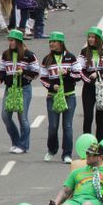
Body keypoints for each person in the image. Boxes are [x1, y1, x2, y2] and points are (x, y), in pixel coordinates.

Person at [0, 29, 38, 154]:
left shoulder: (29, 55)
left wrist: (23, 72)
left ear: (19, 41)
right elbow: (3, 70)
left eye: (12, 40)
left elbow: (35, 73)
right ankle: (15, 141)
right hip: (10, 89)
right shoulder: (6, 54)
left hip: (23, 89)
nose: (10, 43)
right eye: (9, 40)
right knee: (5, 115)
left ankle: (23, 145)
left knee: (22, 117)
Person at [40, 31, 78, 163]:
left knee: (67, 126)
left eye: (54, 42)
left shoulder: (71, 58)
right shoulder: (47, 59)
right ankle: (51, 149)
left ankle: (67, 154)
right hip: (52, 97)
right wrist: (51, 86)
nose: (51, 44)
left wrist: (67, 73)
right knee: (53, 125)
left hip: (69, 96)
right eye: (50, 42)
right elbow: (43, 78)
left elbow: (78, 75)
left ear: (61, 43)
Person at [77, 27, 103, 141]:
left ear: (99, 38)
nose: (90, 39)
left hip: (102, 88)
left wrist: (98, 74)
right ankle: (87, 142)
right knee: (88, 117)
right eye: (89, 37)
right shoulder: (84, 52)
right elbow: (79, 70)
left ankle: (99, 144)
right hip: (88, 88)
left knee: (100, 118)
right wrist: (89, 80)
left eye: (93, 37)